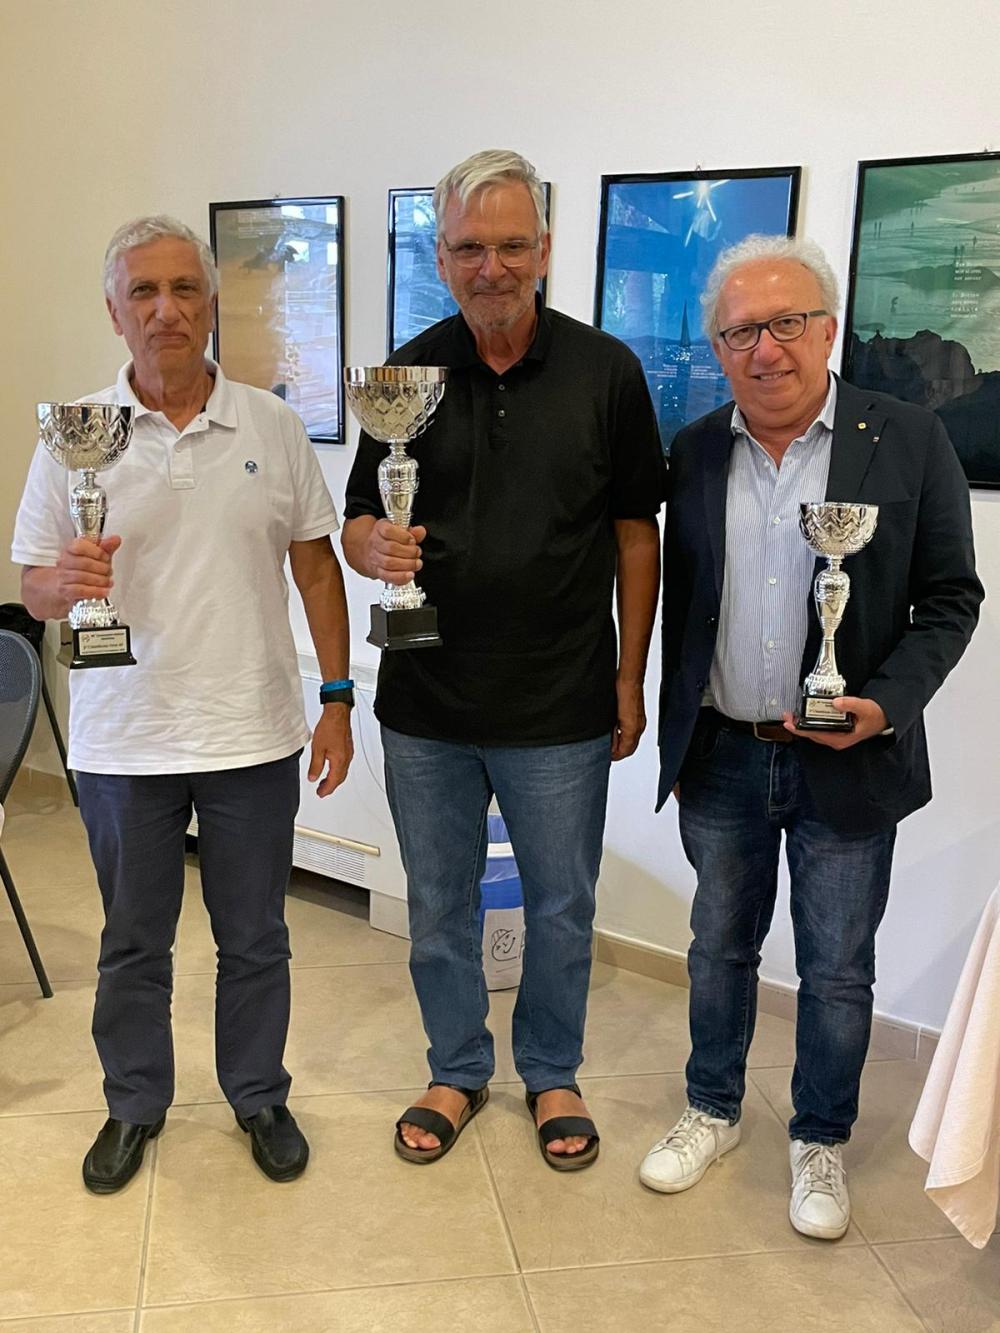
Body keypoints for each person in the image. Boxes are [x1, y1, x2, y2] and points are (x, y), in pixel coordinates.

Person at [638, 234, 983, 1237]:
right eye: (741, 331)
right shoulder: (695, 449)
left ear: (827, 329)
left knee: (836, 966)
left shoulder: (907, 438)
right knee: (717, 946)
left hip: (849, 756)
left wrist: (885, 704)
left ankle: (819, 1137)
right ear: (717, 348)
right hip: (723, 750)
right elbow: (680, 600)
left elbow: (950, 598)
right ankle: (712, 1109)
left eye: (787, 322)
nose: (766, 348)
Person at [12, 215, 354, 1192]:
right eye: (144, 292)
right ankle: (133, 1103)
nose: (166, 309)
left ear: (209, 305)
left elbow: (316, 570)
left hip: (252, 733)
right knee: (133, 944)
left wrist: (336, 699)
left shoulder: (271, 424)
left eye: (184, 289)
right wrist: (62, 581)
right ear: (114, 312)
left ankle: (258, 1094)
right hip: (124, 741)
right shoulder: (74, 431)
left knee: (256, 939)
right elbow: (32, 585)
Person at [342, 150, 665, 1170]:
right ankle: (456, 1066)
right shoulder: (403, 376)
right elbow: (356, 520)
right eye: (471, 247)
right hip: (427, 700)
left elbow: (636, 534)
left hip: (561, 699)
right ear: (441, 257)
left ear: (545, 250)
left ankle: (552, 1070)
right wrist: (372, 547)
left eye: (512, 245)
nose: (493, 267)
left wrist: (629, 675)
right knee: (438, 905)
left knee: (562, 905)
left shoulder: (606, 372)